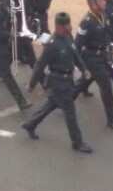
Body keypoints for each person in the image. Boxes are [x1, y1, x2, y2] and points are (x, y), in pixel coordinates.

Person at [21, 12, 93, 154]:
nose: (70, 26)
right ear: (60, 26)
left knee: (51, 104)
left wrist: (84, 69)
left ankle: (30, 124)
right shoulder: (52, 45)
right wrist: (32, 84)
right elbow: (40, 65)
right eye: (67, 25)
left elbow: (75, 55)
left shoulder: (68, 37)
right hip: (58, 81)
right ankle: (77, 143)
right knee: (70, 113)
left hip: (67, 79)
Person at [73, 0, 113, 132]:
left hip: (104, 55)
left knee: (83, 82)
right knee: (106, 87)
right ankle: (112, 120)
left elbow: (109, 33)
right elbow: (77, 45)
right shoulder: (86, 22)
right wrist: (80, 66)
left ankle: (62, 100)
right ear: (93, 3)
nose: (104, 1)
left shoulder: (104, 15)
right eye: (100, 0)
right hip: (91, 57)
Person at [14, 0, 37, 67]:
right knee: (31, 54)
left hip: (27, 23)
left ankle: (21, 56)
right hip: (20, 26)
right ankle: (39, 74)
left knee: (15, 49)